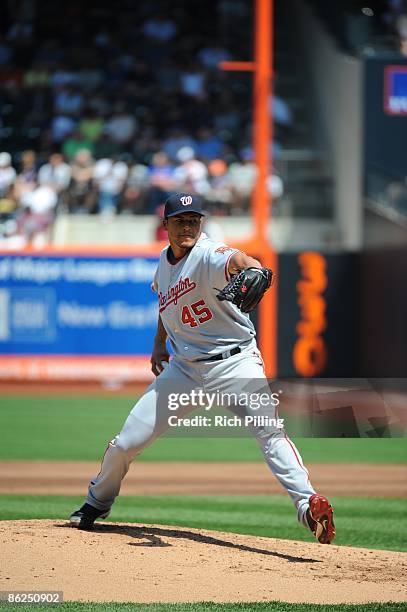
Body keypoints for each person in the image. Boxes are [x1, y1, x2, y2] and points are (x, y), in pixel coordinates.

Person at [69, 192, 335, 544]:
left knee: (269, 433)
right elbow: (166, 305)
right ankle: (96, 502)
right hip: (184, 371)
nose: (188, 226)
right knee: (125, 443)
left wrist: (254, 268)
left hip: (236, 363)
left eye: (194, 220)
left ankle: (308, 504)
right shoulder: (163, 268)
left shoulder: (209, 253)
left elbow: (241, 260)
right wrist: (157, 343)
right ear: (165, 225)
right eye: (180, 220)